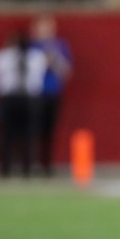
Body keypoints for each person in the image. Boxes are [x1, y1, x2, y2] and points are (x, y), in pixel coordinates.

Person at [0, 31, 48, 178]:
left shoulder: (37, 57)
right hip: (8, 97)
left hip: (30, 98)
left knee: (29, 134)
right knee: (6, 134)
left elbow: (40, 73)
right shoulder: (3, 56)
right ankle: (5, 168)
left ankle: (27, 168)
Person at [30, 15, 73, 176]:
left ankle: (47, 165)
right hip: (32, 94)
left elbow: (66, 72)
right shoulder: (30, 46)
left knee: (49, 130)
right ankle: (30, 164)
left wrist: (53, 59)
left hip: (52, 93)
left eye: (48, 27)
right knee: (32, 130)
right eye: (41, 27)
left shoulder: (60, 46)